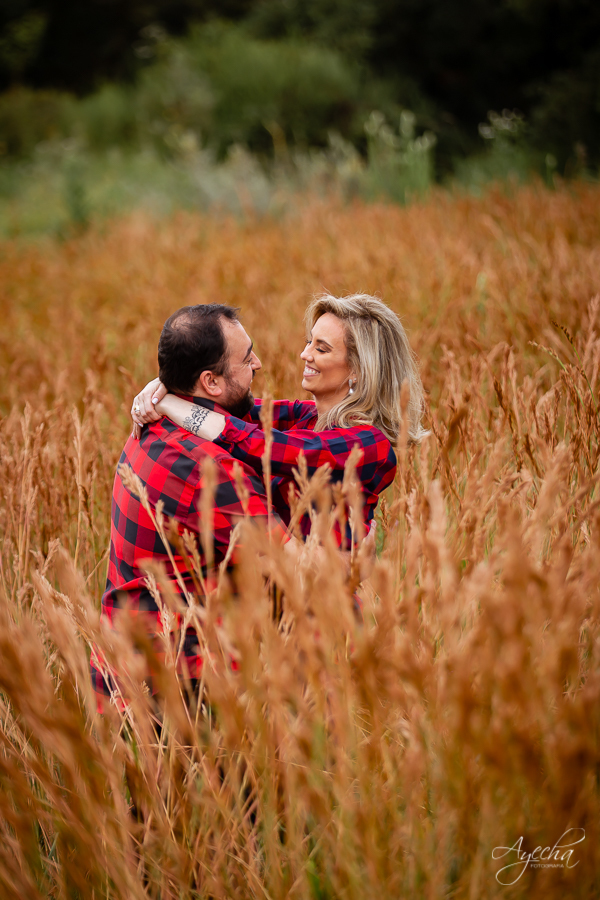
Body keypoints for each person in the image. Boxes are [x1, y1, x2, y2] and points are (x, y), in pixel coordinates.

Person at [91, 303, 305, 712]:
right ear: (210, 381)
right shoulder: (210, 472)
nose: (257, 364)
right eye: (247, 358)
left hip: (121, 678)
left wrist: (162, 387)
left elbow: (270, 421)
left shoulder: (155, 426)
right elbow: (297, 571)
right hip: (177, 700)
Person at [132, 294, 426, 549]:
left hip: (324, 604)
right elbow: (233, 406)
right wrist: (172, 381)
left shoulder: (369, 445)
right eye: (309, 341)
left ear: (359, 371)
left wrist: (169, 402)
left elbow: (258, 445)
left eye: (321, 349)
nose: (304, 354)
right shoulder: (310, 418)